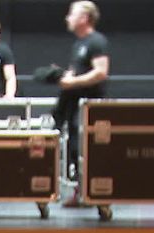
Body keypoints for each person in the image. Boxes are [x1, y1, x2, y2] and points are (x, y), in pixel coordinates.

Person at [52, 1, 110, 204]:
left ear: (84, 18)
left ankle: (94, 192)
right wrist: (60, 76)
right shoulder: (78, 44)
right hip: (74, 105)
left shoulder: (96, 41)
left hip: (90, 108)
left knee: (87, 150)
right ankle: (81, 191)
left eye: (72, 14)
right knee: (76, 149)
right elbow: (75, 73)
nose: (67, 18)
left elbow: (101, 72)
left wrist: (73, 81)